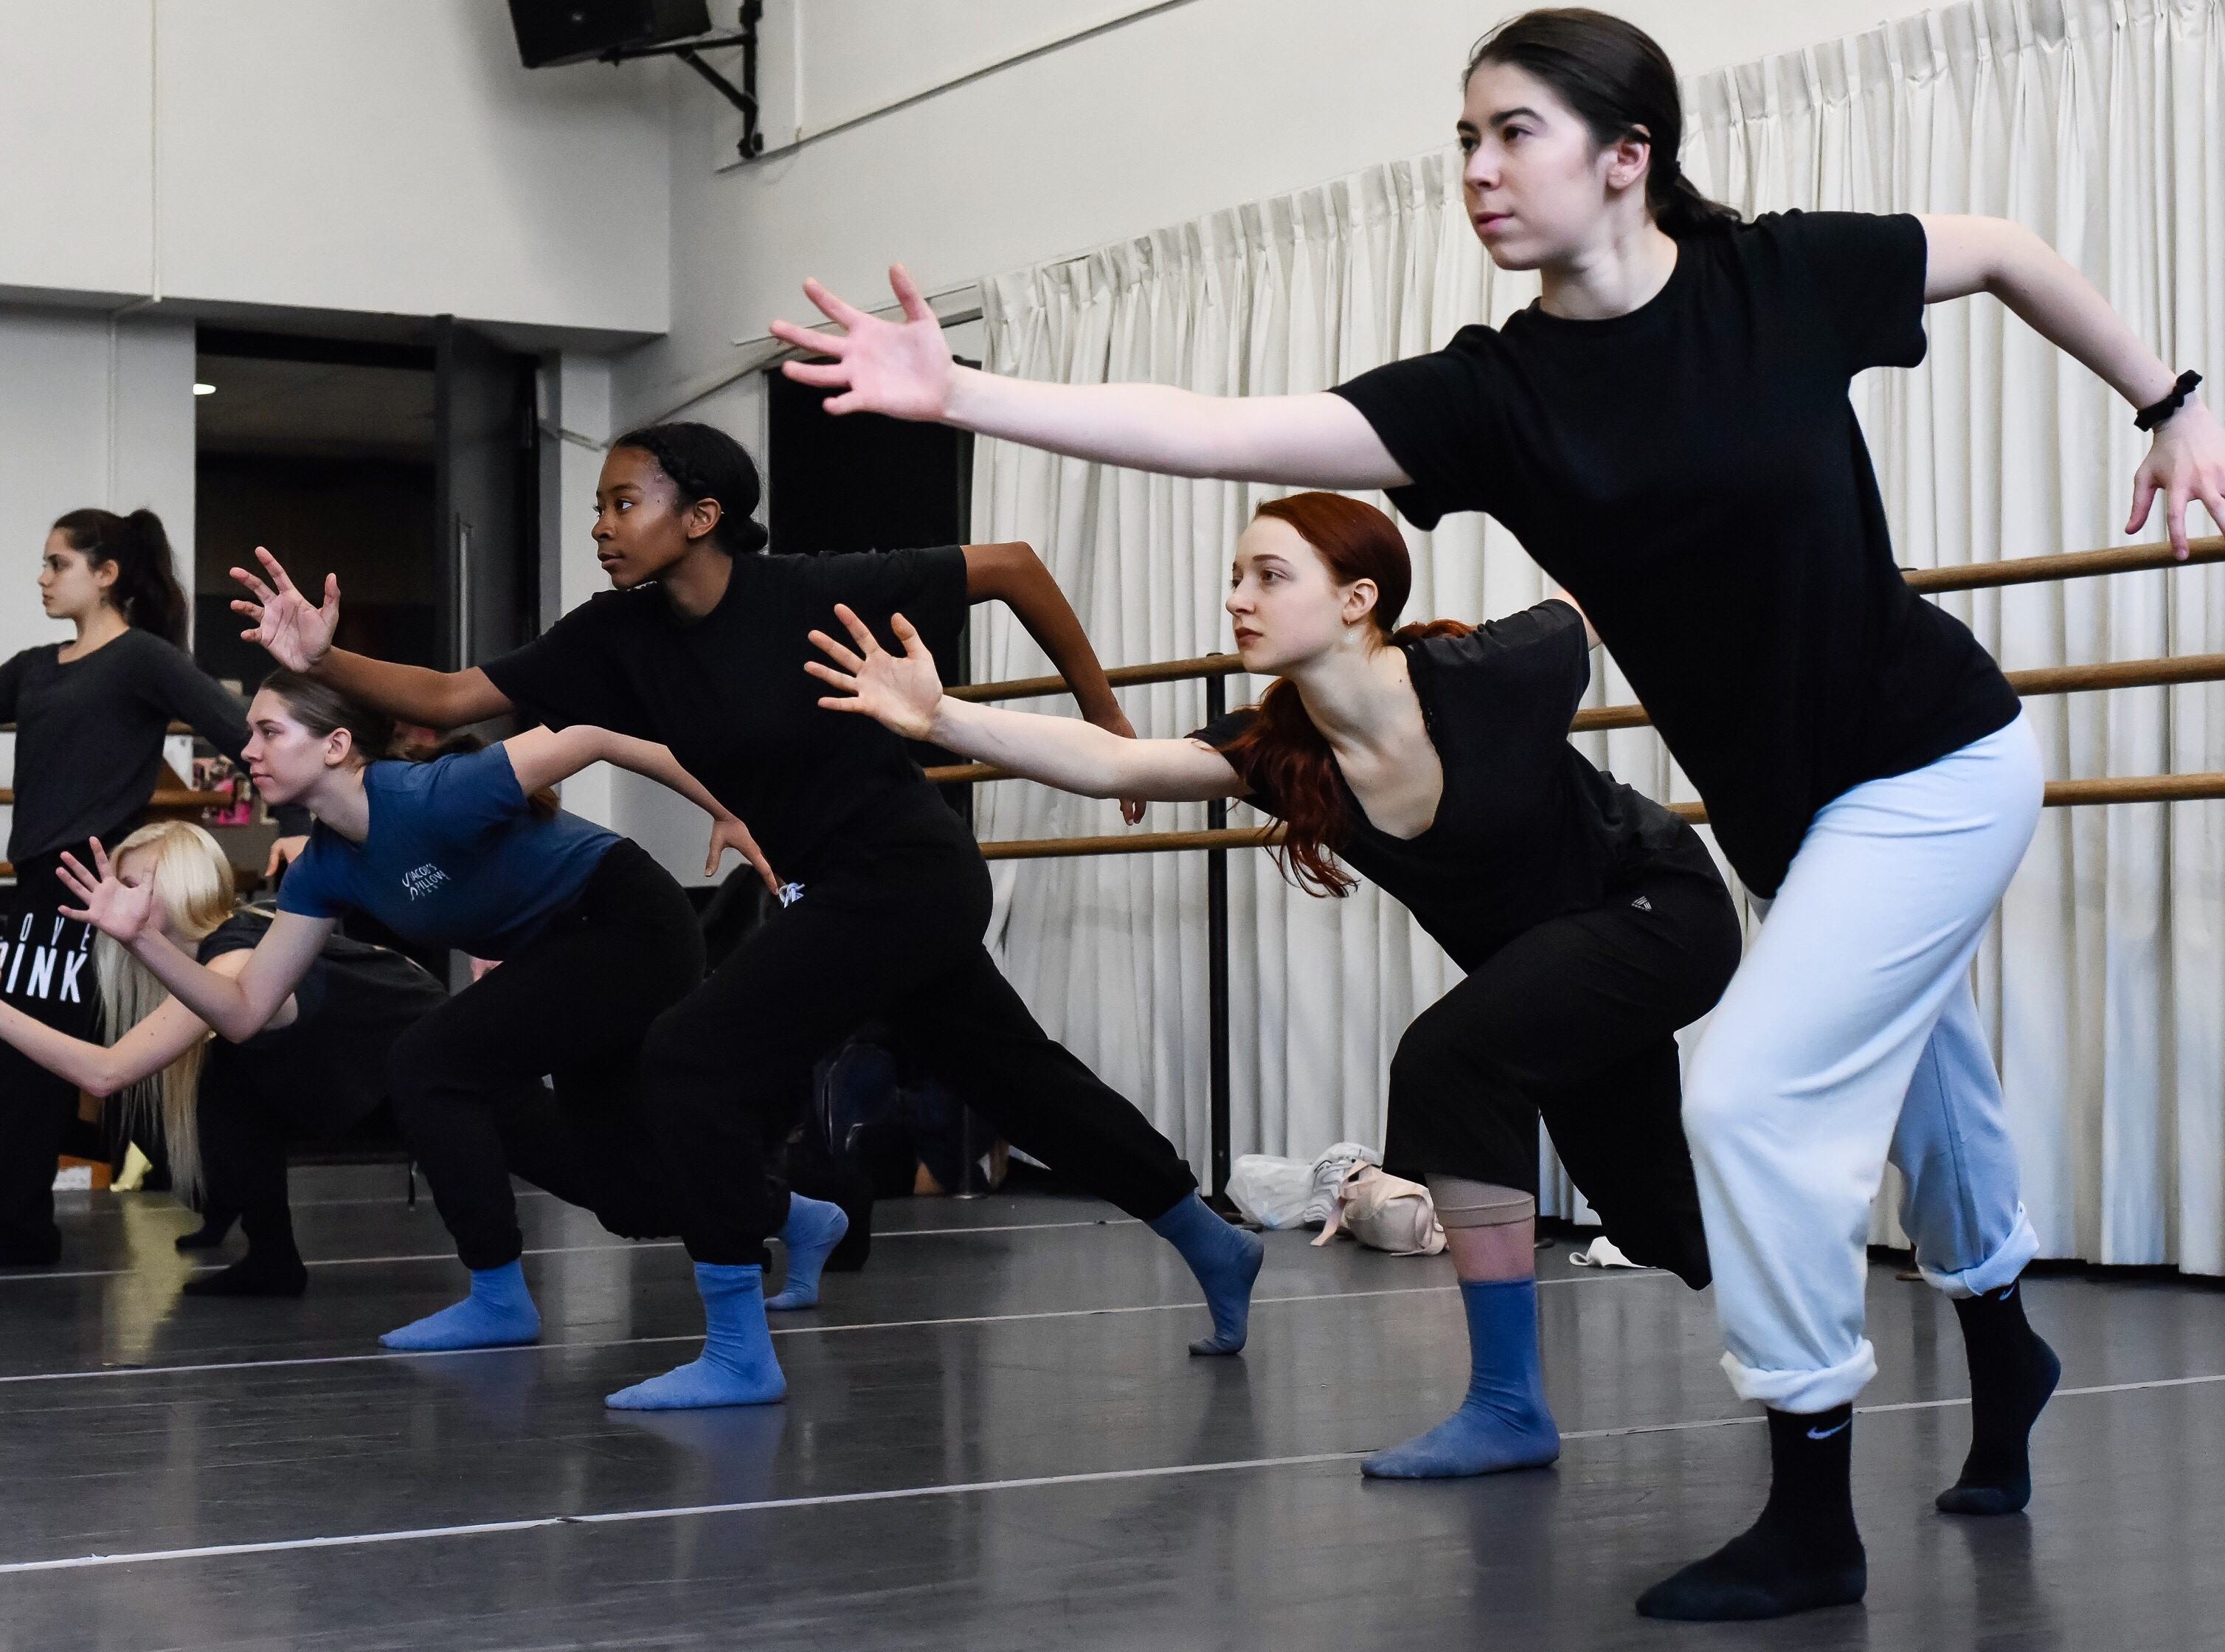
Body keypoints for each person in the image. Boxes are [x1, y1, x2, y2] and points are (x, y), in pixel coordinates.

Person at [767, 6, 2225, 1619]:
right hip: (1789, 823)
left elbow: (2009, 247)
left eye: (1508, 131)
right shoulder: (1494, 398)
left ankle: (1812, 1502)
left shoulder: (1782, 280)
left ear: (1624, 158)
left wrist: (2167, 397)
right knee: (1925, 1078)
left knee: (1743, 1093)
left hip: (1938, 756)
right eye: (1460, 138)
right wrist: (960, 392)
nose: (1474, 168)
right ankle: (2005, 1347)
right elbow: (1225, 431)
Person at [224, 422, 1262, 1413]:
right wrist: (322, 658)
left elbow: (1015, 566)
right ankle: (1213, 1238)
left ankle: (737, 1350)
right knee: (1023, 1081)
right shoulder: (617, 637)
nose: (601, 524)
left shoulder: (805, 592)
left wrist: (1111, 723)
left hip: (908, 869)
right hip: (829, 887)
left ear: (703, 514)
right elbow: (450, 696)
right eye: (598, 505)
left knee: (689, 1055)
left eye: (624, 501)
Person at [808, 490, 1743, 1479]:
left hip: (1660, 906)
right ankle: (1807, 1291)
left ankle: (1509, 1407)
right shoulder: (1284, 753)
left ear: (1358, 598)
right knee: (1661, 1218)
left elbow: (1603, 590)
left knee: (1451, 1057)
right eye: (1235, 577)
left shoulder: (1489, 673)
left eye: (1270, 574)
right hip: (1551, 975)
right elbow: (1115, 759)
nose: (1238, 598)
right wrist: (941, 712)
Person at [61, 668, 781, 1351]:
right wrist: (145, 940)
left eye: (269, 730)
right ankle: (798, 1213)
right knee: (624, 1196)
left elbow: (592, 733)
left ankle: (499, 1296)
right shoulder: (325, 865)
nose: (246, 748)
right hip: (562, 953)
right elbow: (247, 1010)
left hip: (629, 922)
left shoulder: (435, 792)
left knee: (426, 1060)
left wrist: (726, 808)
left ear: (336, 745)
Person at [0, 508, 311, 1266]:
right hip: (36, 889)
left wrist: (299, 817)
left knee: (58, 1065)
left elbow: (243, 729)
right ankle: (44, 1220)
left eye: (57, 563)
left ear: (105, 574)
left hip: (100, 889)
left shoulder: (141, 659)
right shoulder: (36, 667)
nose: (41, 577)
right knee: (28, 1063)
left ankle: (27, 1229)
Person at [0, 818, 451, 1296]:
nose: (112, 897)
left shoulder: (233, 957)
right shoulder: (214, 953)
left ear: (180, 885)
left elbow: (105, 1072)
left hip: (434, 1060)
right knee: (222, 1072)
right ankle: (270, 1257)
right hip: (378, 1073)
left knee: (532, 1149)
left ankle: (268, 1253)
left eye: (131, 884)